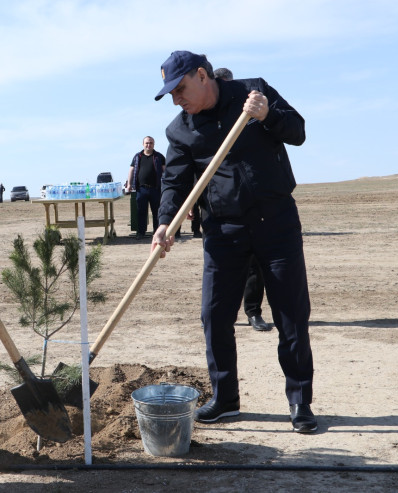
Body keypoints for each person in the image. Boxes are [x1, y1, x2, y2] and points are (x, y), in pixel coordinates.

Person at [152, 51, 316, 433]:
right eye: (171, 94)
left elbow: (298, 132)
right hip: (223, 230)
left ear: (202, 75)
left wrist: (267, 116)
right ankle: (225, 399)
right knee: (214, 315)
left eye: (180, 89)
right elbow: (174, 182)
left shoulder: (253, 92)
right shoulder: (180, 130)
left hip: (275, 221)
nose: (177, 99)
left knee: (291, 315)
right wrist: (164, 223)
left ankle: (299, 401)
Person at [214, 67, 269, 332]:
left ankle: (253, 312)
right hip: (221, 206)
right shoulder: (207, 121)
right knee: (224, 266)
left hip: (253, 203)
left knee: (255, 265)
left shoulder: (250, 116)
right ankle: (224, 313)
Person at [126, 136, 166, 239]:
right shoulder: (137, 156)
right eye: (147, 143)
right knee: (141, 212)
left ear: (154, 144)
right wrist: (129, 184)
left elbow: (165, 171)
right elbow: (131, 170)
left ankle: (157, 233)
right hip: (141, 189)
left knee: (156, 212)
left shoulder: (159, 156)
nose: (149, 145)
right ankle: (141, 233)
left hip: (155, 189)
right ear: (143, 144)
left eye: (151, 143)